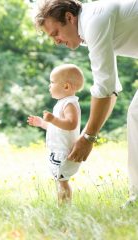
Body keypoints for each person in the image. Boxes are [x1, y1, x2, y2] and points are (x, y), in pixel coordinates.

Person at [33, 0, 138, 206]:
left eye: (55, 33)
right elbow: (112, 89)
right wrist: (87, 135)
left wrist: (88, 137)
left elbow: (104, 87)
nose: (56, 41)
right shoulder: (90, 26)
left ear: (69, 18)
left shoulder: (94, 21)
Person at [27, 64, 84, 204]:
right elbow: (57, 128)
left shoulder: (70, 104)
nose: (49, 86)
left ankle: (64, 207)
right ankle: (63, 205)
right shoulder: (61, 103)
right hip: (57, 151)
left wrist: (53, 119)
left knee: (62, 182)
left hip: (65, 152)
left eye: (52, 82)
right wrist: (42, 123)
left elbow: (71, 124)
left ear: (66, 87)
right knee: (59, 181)